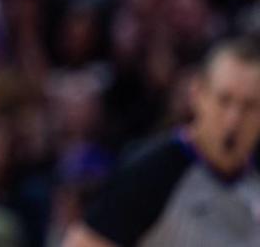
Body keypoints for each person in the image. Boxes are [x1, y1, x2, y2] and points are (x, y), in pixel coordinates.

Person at [63, 37, 260, 247]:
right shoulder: (152, 172)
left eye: (249, 106)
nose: (234, 119)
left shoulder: (254, 180)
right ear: (198, 94)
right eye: (224, 100)